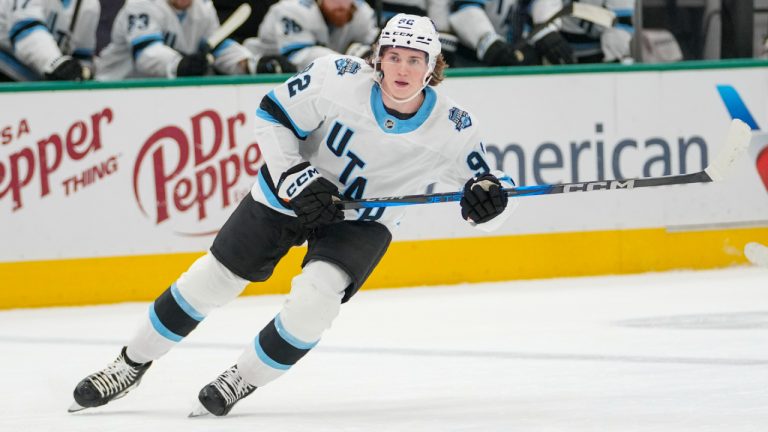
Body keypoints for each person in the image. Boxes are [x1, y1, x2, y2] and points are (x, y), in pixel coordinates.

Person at [69, 13, 517, 417]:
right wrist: (296, 177)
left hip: (361, 221)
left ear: (433, 67)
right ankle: (128, 365)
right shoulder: (335, 77)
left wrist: (489, 204)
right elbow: (271, 115)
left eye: (415, 60)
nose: (402, 69)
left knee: (314, 304)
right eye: (393, 56)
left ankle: (240, 378)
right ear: (378, 58)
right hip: (287, 194)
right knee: (212, 280)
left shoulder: (455, 128)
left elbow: (488, 191)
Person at [94, 0, 293, 80]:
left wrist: (251, 63)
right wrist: (180, 64)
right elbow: (146, 55)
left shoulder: (203, 7)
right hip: (113, 92)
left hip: (162, 95)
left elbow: (218, 45)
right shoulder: (141, 4)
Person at [243, 0, 379, 71]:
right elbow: (299, 57)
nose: (341, 3)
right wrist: (354, 58)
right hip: (259, 73)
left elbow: (371, 48)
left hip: (321, 79)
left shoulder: (361, 11)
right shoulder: (292, 8)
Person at [0, 0, 100, 81]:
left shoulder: (89, 5)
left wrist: (81, 73)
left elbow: (82, 58)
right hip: (5, 70)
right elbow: (25, 32)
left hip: (42, 84)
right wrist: (57, 63)